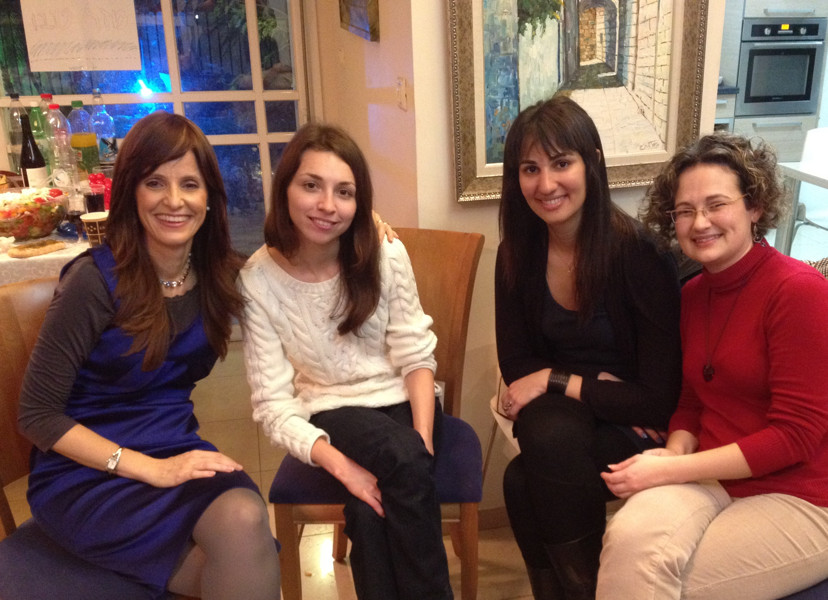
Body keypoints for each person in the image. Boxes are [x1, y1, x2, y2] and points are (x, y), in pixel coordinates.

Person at [18, 112, 280, 600]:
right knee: (247, 560)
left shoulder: (220, 274)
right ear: (130, 192)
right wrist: (150, 468)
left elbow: (309, 271)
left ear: (209, 198)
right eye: (155, 182)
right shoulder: (93, 282)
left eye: (190, 184)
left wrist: (364, 227)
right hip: (87, 473)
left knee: (245, 520)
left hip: (174, 448)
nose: (174, 201)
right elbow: (36, 415)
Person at [597, 133, 828, 599]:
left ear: (755, 205)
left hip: (802, 495)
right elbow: (692, 399)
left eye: (716, 205)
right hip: (713, 477)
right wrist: (675, 453)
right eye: (685, 211)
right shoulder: (693, 294)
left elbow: (796, 435)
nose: (700, 222)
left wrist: (671, 471)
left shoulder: (799, 292)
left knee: (666, 583)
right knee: (625, 543)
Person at [238, 122, 453, 600]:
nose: (327, 205)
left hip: (405, 401)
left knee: (369, 513)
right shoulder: (257, 281)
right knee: (396, 461)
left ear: (360, 201)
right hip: (332, 410)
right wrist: (343, 467)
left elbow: (416, 353)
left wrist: (421, 442)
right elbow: (274, 406)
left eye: (344, 192)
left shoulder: (384, 252)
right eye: (311, 186)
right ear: (285, 188)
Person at [494, 95, 682, 600]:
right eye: (530, 169)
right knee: (543, 444)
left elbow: (656, 398)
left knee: (525, 477)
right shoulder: (517, 253)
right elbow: (517, 363)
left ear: (592, 162)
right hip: (582, 411)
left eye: (561, 163)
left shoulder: (640, 255)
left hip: (634, 425)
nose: (546, 184)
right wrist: (594, 384)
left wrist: (555, 379)